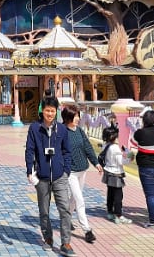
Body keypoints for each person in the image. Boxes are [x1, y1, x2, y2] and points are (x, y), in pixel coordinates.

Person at [25, 96, 75, 256]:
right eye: (47, 110)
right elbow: (29, 150)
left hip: (60, 176)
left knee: (65, 210)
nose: (50, 113)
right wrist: (29, 170)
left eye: (53, 111)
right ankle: (48, 238)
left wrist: (66, 170)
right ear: (42, 111)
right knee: (44, 210)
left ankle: (66, 243)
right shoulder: (34, 128)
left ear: (56, 112)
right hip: (42, 177)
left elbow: (67, 151)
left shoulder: (61, 129)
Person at [61, 105, 101, 244]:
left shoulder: (79, 131)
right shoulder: (61, 132)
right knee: (79, 200)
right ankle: (87, 230)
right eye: (75, 116)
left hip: (82, 169)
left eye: (78, 115)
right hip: (70, 172)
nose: (78, 118)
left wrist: (96, 163)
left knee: (74, 199)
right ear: (67, 118)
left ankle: (67, 220)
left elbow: (88, 147)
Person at [101, 126, 132, 225]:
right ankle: (119, 216)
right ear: (113, 137)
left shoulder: (105, 145)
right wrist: (130, 157)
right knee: (118, 196)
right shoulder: (115, 148)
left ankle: (110, 212)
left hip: (108, 172)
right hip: (116, 173)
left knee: (110, 194)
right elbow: (121, 162)